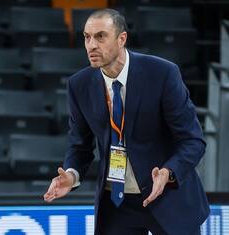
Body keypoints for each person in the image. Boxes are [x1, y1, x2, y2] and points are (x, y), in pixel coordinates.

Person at [43, 8, 209, 235]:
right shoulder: (78, 85)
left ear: (122, 39)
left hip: (167, 196)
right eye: (87, 37)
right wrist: (71, 175)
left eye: (101, 36)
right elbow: (79, 146)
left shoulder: (162, 74)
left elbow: (193, 141)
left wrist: (168, 172)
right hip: (117, 204)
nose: (91, 45)